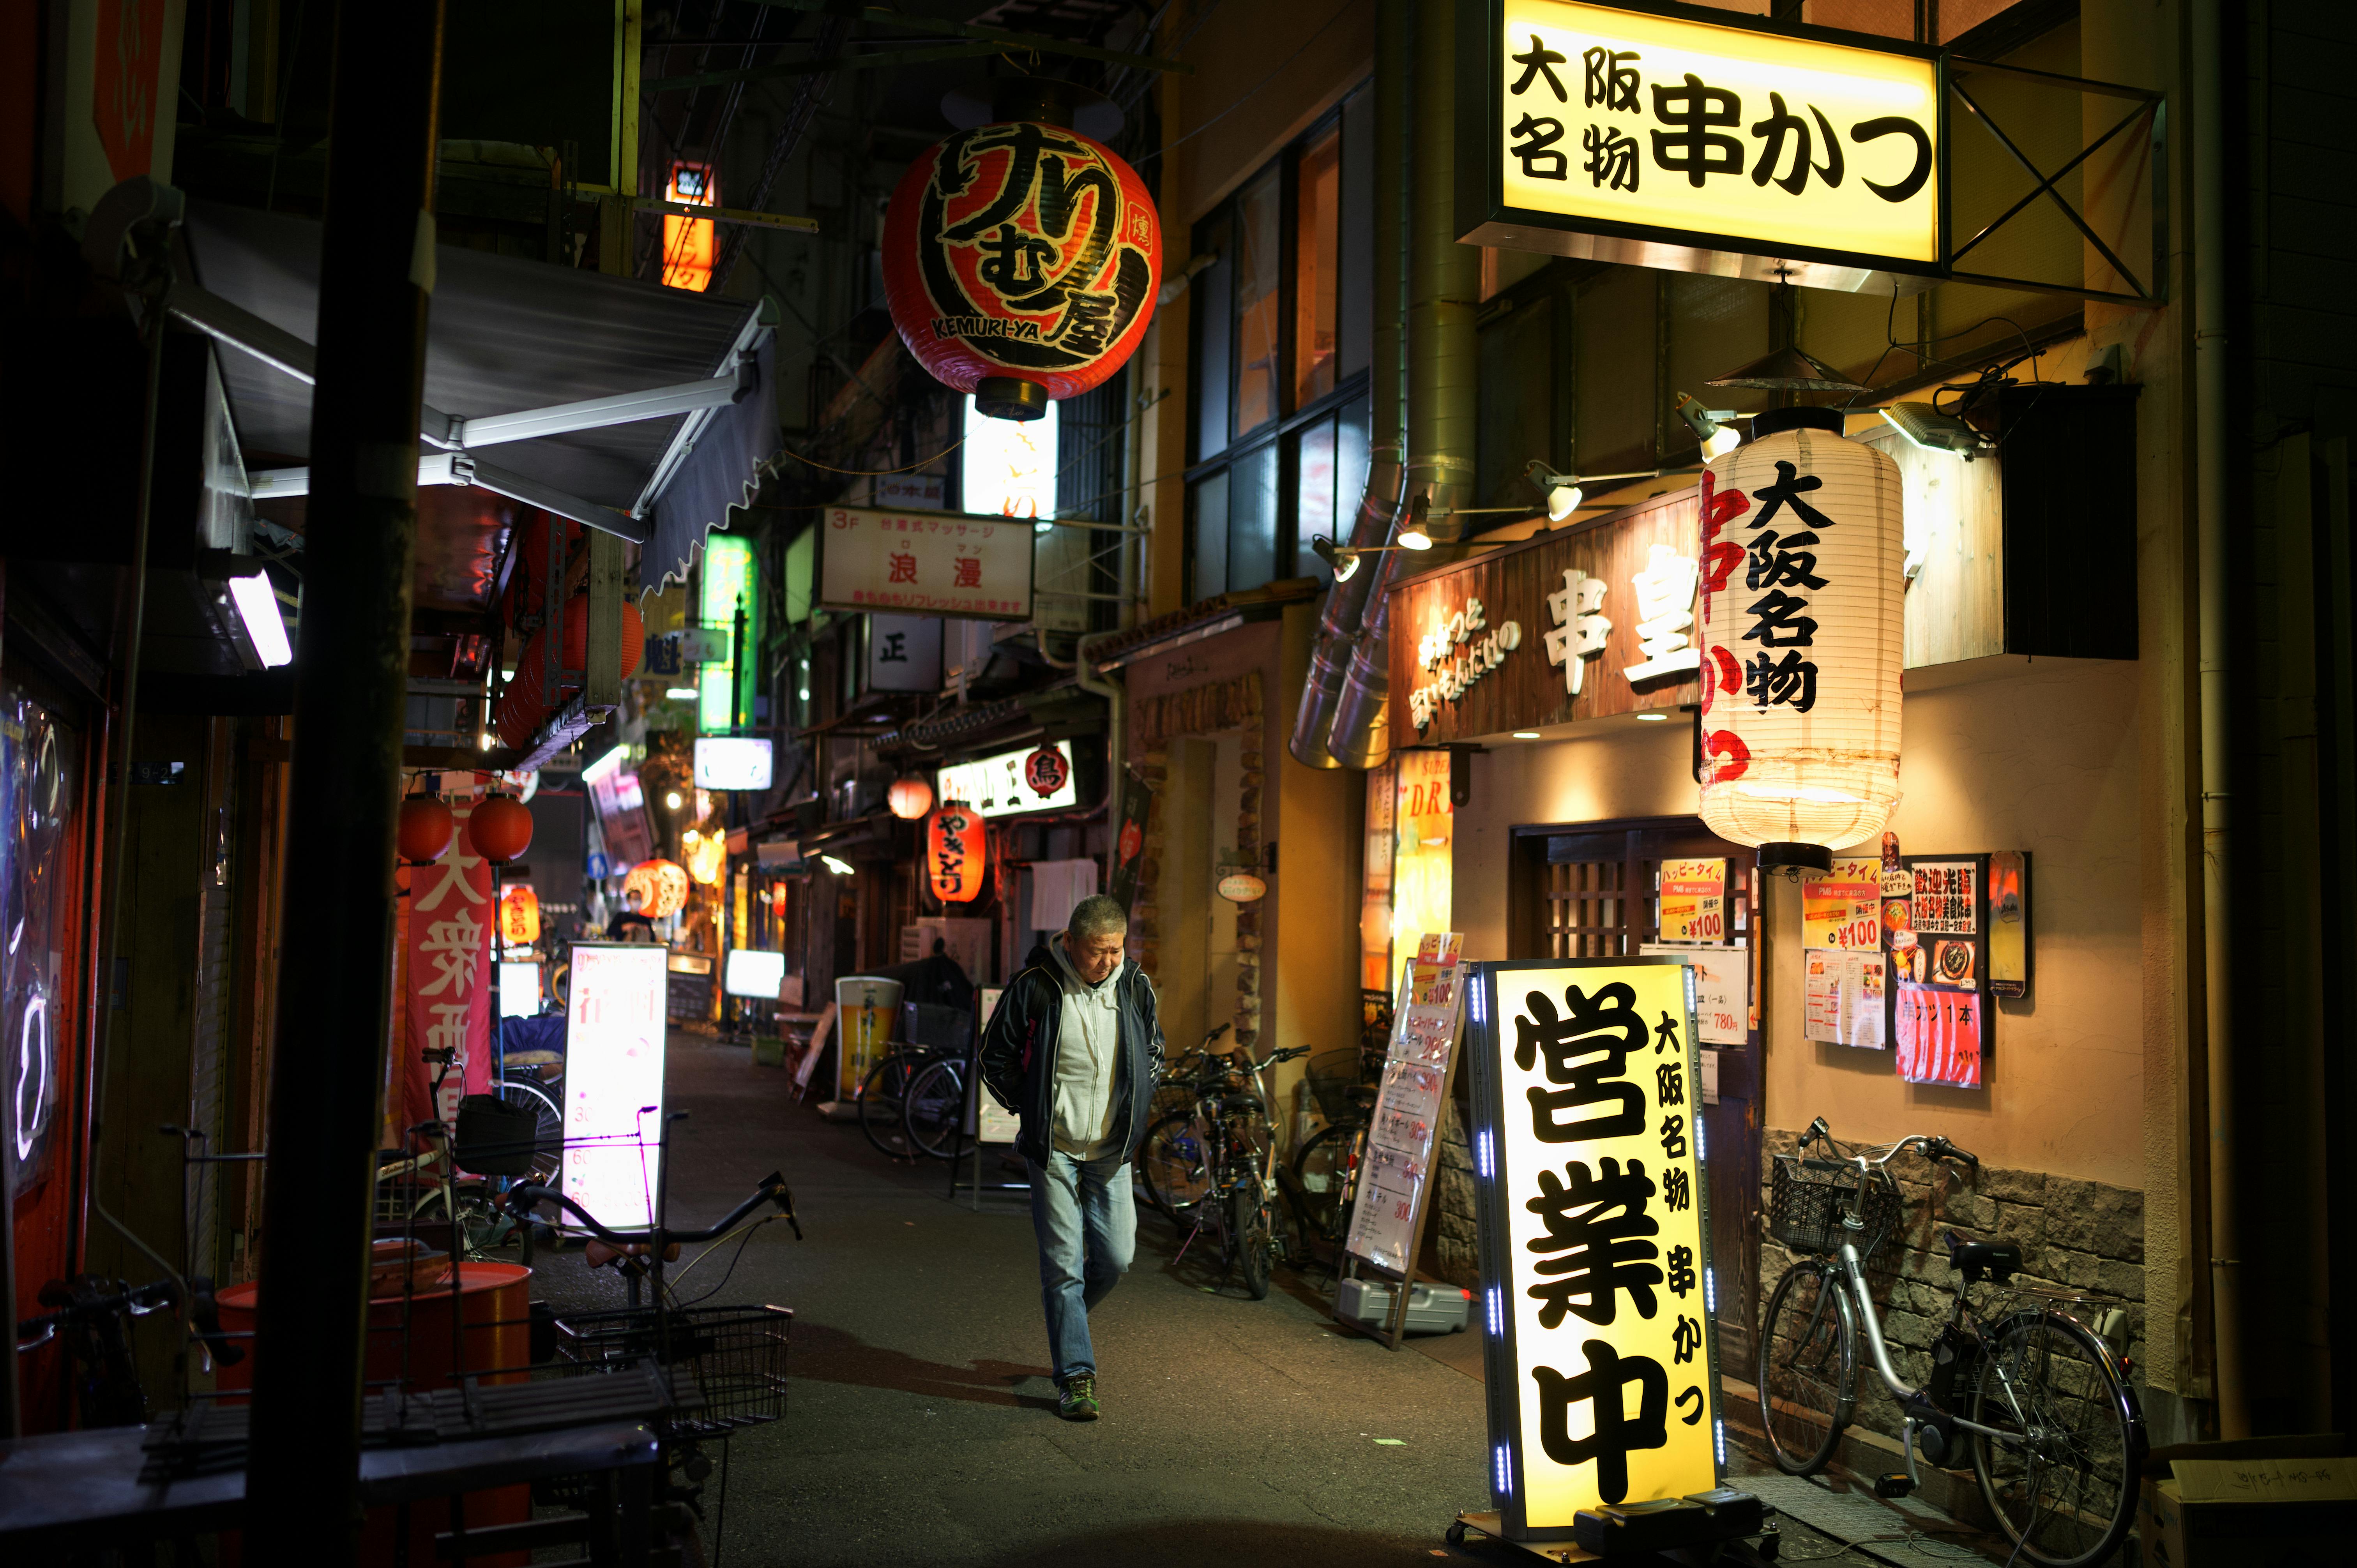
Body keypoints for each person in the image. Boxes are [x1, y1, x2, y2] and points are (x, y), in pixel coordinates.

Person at [978, 895, 1162, 1421]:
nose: (1109, 961)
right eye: (1099, 952)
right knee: (1063, 1268)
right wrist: (1031, 1108)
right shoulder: (1036, 985)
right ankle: (1076, 1376)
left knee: (1117, 1259)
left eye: (1117, 949)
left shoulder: (1134, 986)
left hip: (1112, 1148)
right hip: (1054, 1148)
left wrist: (1139, 1099)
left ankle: (1068, 1317)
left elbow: (1154, 1050)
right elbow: (995, 1054)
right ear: (1072, 942)